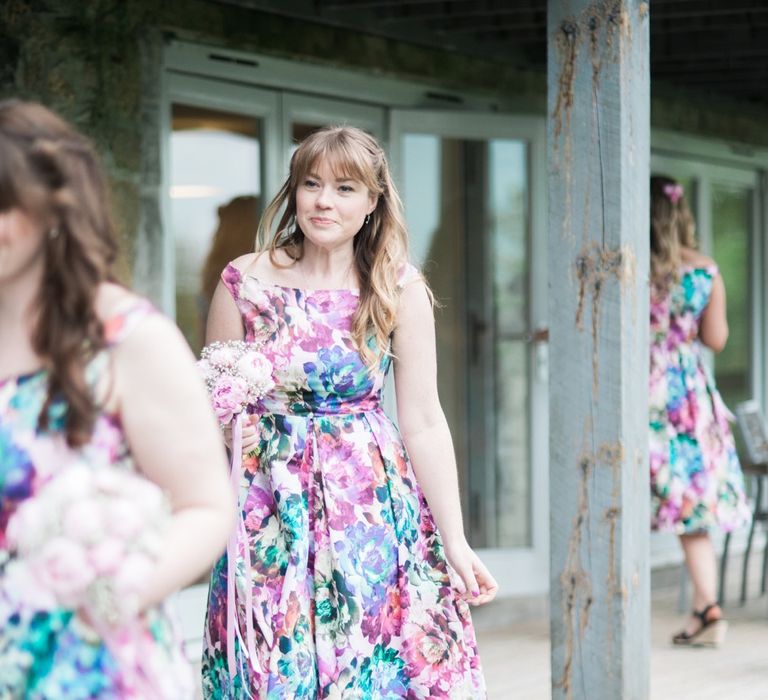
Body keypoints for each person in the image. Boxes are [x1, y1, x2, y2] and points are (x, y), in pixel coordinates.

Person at [202, 126, 498, 698]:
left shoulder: (396, 288)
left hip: (367, 508)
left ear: (372, 202)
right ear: (293, 193)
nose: (323, 201)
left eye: (343, 188)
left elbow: (423, 419)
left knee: (371, 659)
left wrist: (455, 540)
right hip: (268, 508)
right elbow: (216, 409)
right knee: (268, 665)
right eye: (311, 184)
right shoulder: (244, 281)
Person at [0, 100, 234, 696]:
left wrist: (114, 590)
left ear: (54, 208)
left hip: (85, 662)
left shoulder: (129, 339)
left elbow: (206, 506)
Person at [648, 175, 751, 647]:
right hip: (687, 396)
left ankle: (705, 610)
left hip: (640, 391)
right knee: (689, 503)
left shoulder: (630, 269)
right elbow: (716, 339)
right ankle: (706, 608)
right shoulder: (703, 271)